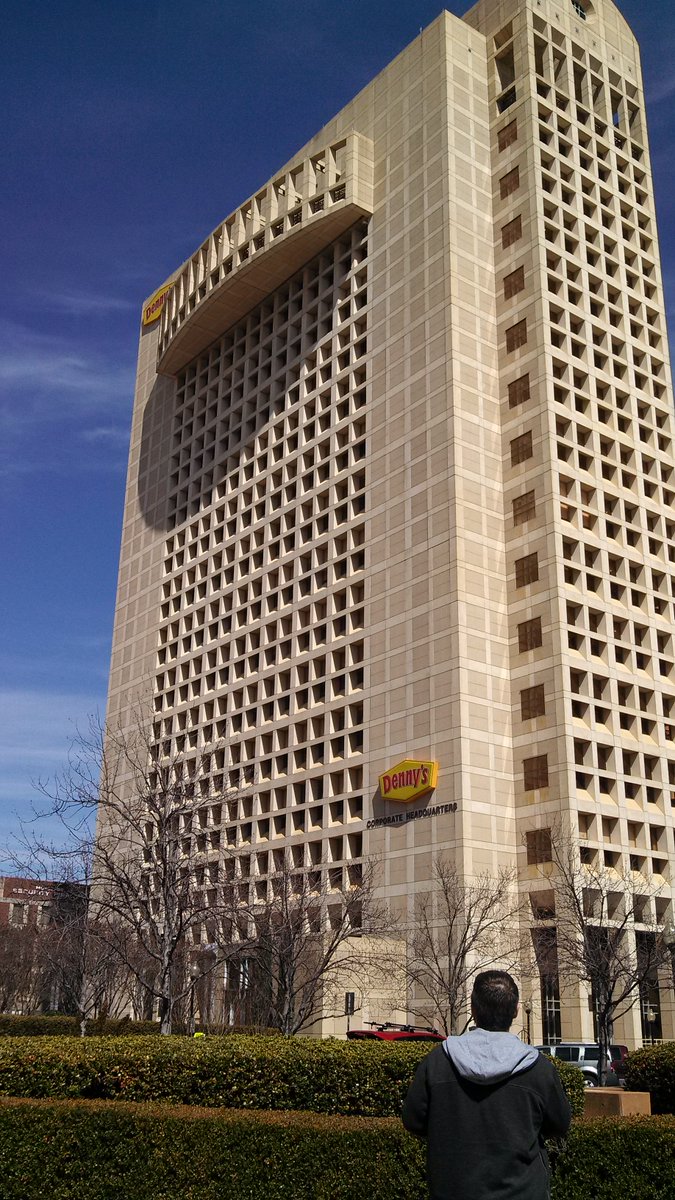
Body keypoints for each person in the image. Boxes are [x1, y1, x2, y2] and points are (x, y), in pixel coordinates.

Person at [402, 970, 571, 1200]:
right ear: (516, 1011)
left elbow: (413, 1121)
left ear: (473, 1009)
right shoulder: (539, 1068)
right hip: (523, 1192)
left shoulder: (437, 1062)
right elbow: (559, 1124)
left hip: (452, 1191)